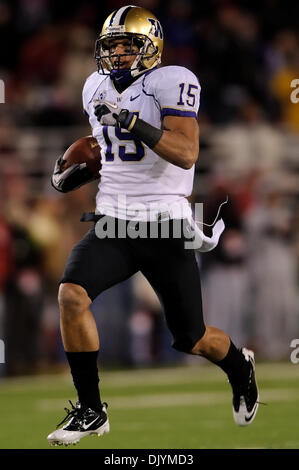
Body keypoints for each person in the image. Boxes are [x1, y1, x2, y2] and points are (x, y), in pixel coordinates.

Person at [48, 5, 259, 446]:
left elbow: (186, 153)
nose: (119, 54)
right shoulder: (93, 87)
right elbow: (107, 151)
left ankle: (239, 366)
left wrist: (131, 121)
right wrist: (80, 165)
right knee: (71, 295)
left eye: (128, 45)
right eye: (111, 46)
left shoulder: (171, 80)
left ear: (152, 47)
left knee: (193, 338)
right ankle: (91, 409)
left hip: (163, 222)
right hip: (114, 219)